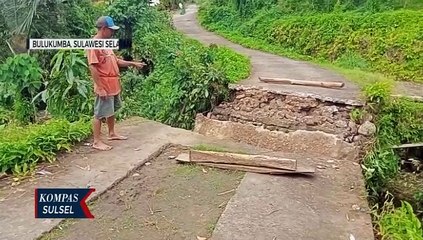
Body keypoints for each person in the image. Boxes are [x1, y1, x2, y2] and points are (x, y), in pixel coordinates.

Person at [86, 16, 145, 151]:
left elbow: (116, 61)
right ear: (104, 29)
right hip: (104, 83)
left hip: (113, 83)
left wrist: (133, 64)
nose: (113, 33)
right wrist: (100, 87)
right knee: (99, 113)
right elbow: (93, 67)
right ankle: (96, 141)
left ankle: (112, 133)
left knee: (111, 110)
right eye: (111, 30)